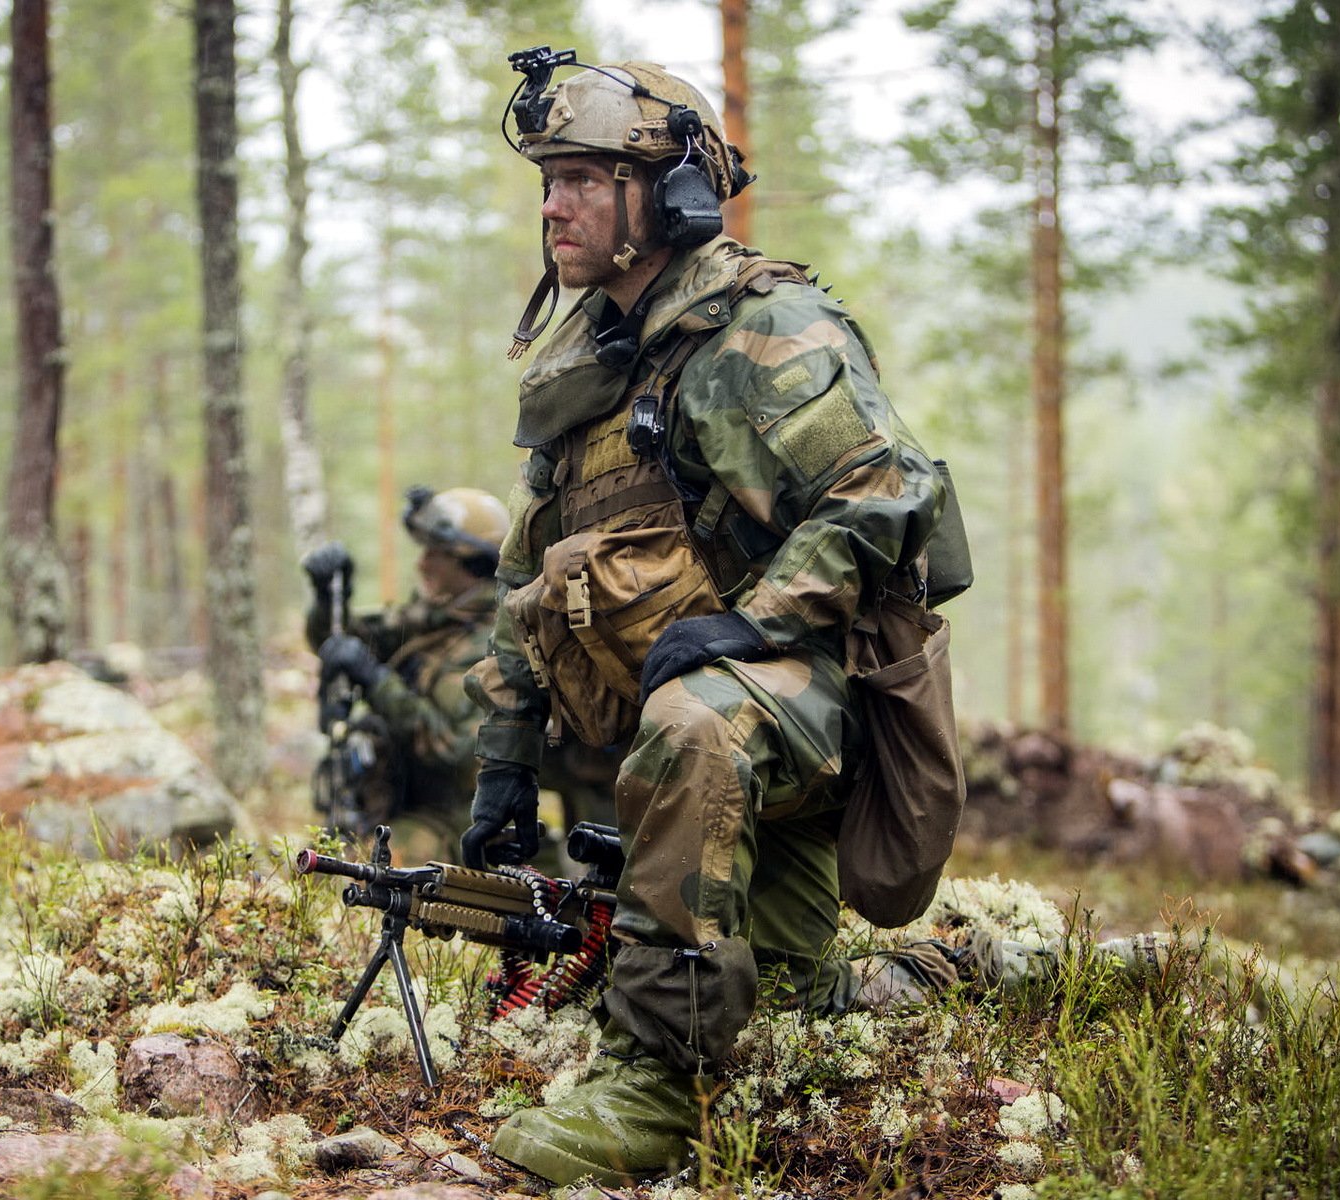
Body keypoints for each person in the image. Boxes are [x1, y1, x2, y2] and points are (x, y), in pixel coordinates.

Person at [460, 57, 951, 1185]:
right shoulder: (589, 358)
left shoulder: (764, 329)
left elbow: (887, 492)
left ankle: (658, 1080)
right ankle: (979, 970)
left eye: (584, 179)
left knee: (694, 721)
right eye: (548, 181)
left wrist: (756, 621)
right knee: (796, 1001)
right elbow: (527, 571)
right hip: (706, 717)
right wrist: (504, 764)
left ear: (670, 193)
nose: (554, 206)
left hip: (817, 704)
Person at [302, 487, 517, 863]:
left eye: (436, 554)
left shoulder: (495, 644)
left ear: (470, 563)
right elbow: (339, 642)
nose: (422, 564)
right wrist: (329, 600)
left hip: (461, 823)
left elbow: (457, 749)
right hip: (398, 806)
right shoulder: (429, 621)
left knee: (363, 868)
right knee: (323, 863)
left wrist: (377, 681)